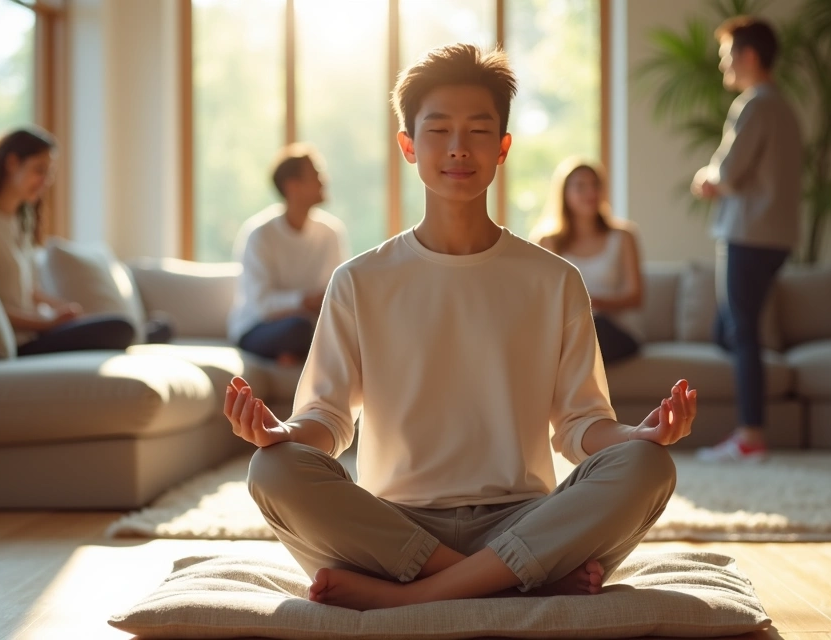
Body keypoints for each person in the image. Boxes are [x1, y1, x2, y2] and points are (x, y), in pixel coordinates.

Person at [223, 44, 698, 611]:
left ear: (502, 148)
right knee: (273, 471)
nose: (457, 148)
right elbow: (327, 419)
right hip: (394, 528)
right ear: (407, 145)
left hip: (522, 518)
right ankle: (513, 582)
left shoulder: (554, 280)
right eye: (438, 129)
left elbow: (580, 425)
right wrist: (283, 436)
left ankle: (412, 597)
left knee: (647, 466)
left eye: (477, 130)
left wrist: (635, 438)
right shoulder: (358, 281)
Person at [690, 17, 802, 463]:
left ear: (748, 56)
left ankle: (751, 434)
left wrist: (705, 178)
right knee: (732, 329)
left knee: (744, 332)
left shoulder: (754, 105)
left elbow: (728, 173)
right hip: (775, 236)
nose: (723, 67)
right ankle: (750, 424)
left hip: (747, 234)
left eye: (726, 57)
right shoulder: (786, 108)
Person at [0, 127, 138, 356]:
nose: (45, 182)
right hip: (14, 343)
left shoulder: (16, 219)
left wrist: (60, 309)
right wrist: (47, 324)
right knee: (121, 328)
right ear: (12, 163)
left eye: (49, 173)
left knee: (120, 326)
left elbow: (25, 288)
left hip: (32, 333)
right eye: (39, 170)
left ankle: (149, 333)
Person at [226, 144, 349, 365]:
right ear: (293, 186)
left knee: (346, 325)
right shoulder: (260, 234)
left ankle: (293, 355)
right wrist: (304, 301)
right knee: (299, 327)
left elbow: (336, 291)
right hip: (259, 328)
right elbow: (261, 305)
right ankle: (295, 353)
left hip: (313, 323)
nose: (324, 181)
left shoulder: (331, 232)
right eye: (316, 175)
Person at [535, 158, 645, 365]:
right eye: (581, 186)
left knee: (591, 327)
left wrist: (591, 303)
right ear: (565, 194)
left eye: (595, 185)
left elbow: (636, 297)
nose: (591, 193)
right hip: (569, 328)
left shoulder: (623, 237)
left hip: (615, 330)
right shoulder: (548, 242)